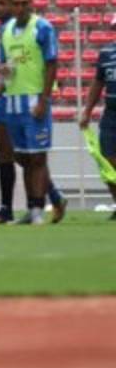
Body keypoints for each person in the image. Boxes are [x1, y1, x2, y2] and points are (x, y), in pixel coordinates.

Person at [0, 0, 62, 225]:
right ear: (11, 6)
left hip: (34, 99)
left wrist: (44, 99)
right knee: (22, 157)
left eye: (25, 3)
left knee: (37, 158)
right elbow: (7, 66)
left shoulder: (42, 27)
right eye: (17, 4)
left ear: (31, 3)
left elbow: (52, 64)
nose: (21, 7)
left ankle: (37, 209)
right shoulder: (5, 30)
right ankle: (42, 203)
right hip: (13, 101)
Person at [79, 13, 116, 220]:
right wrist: (87, 111)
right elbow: (98, 83)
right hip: (111, 115)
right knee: (107, 161)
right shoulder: (107, 53)